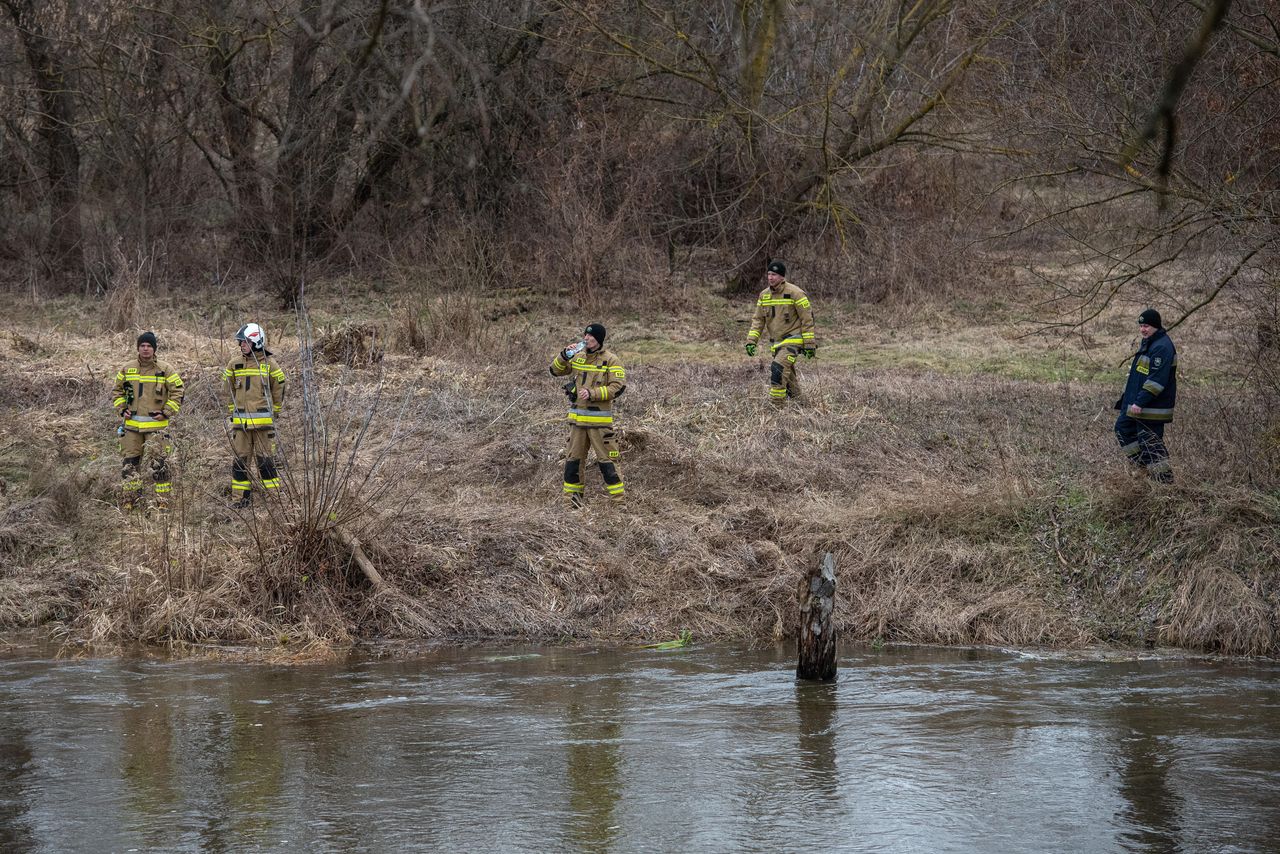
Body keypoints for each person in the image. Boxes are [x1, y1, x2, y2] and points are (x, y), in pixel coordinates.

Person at [549, 323, 627, 507]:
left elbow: (618, 387)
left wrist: (593, 394)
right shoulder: (578, 356)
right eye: (585, 335)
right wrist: (563, 355)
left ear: (599, 340)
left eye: (591, 337)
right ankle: (571, 506)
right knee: (572, 465)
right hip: (577, 424)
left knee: (609, 465)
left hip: (600, 426)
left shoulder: (611, 360)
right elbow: (555, 370)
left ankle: (619, 506)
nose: (586, 338)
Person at [111, 331, 184, 510]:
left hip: (156, 428)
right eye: (142, 345)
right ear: (138, 348)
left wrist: (166, 412)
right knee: (130, 465)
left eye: (149, 346)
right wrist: (122, 409)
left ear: (154, 349)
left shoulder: (165, 369)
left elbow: (178, 391)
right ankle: (131, 500)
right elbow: (116, 391)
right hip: (131, 428)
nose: (145, 349)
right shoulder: (127, 368)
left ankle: (162, 502)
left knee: (159, 465)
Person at [223, 322, 286, 508]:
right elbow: (227, 390)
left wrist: (275, 412)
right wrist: (232, 412)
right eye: (240, 342)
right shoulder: (234, 365)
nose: (241, 345)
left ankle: (273, 500)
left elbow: (279, 390)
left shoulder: (270, 365)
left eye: (244, 342)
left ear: (257, 342)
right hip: (241, 425)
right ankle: (240, 499)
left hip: (264, 427)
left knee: (266, 462)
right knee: (240, 462)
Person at [1114, 308, 1177, 482]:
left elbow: (1156, 381)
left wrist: (1139, 402)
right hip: (1136, 405)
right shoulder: (1149, 343)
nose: (1143, 329)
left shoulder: (1162, 347)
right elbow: (1138, 377)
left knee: (1150, 444)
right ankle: (1144, 468)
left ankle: (1164, 482)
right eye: (1141, 326)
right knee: (1122, 428)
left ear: (1156, 326)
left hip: (1151, 408)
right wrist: (1126, 399)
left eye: (1146, 326)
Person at [745, 259, 817, 404]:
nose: (770, 277)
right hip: (776, 343)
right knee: (789, 378)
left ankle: (776, 405)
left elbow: (807, 320)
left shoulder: (796, 293)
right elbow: (758, 320)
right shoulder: (764, 296)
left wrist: (809, 345)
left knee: (778, 368)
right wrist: (751, 341)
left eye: (775, 275)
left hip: (794, 340)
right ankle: (800, 404)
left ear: (782, 277)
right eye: (769, 274)